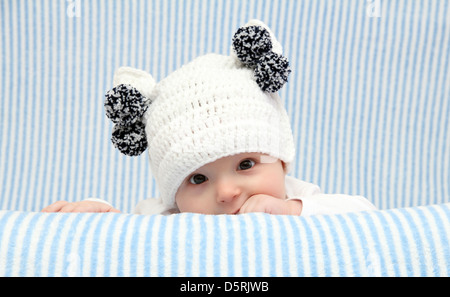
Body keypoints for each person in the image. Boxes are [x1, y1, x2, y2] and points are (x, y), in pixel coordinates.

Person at [41, 20, 376, 216]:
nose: (227, 192)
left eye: (246, 164)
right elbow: (130, 235)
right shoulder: (168, 218)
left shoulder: (295, 199)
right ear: (173, 197)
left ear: (283, 162)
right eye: (198, 179)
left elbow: (365, 214)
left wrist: (294, 211)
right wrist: (98, 214)